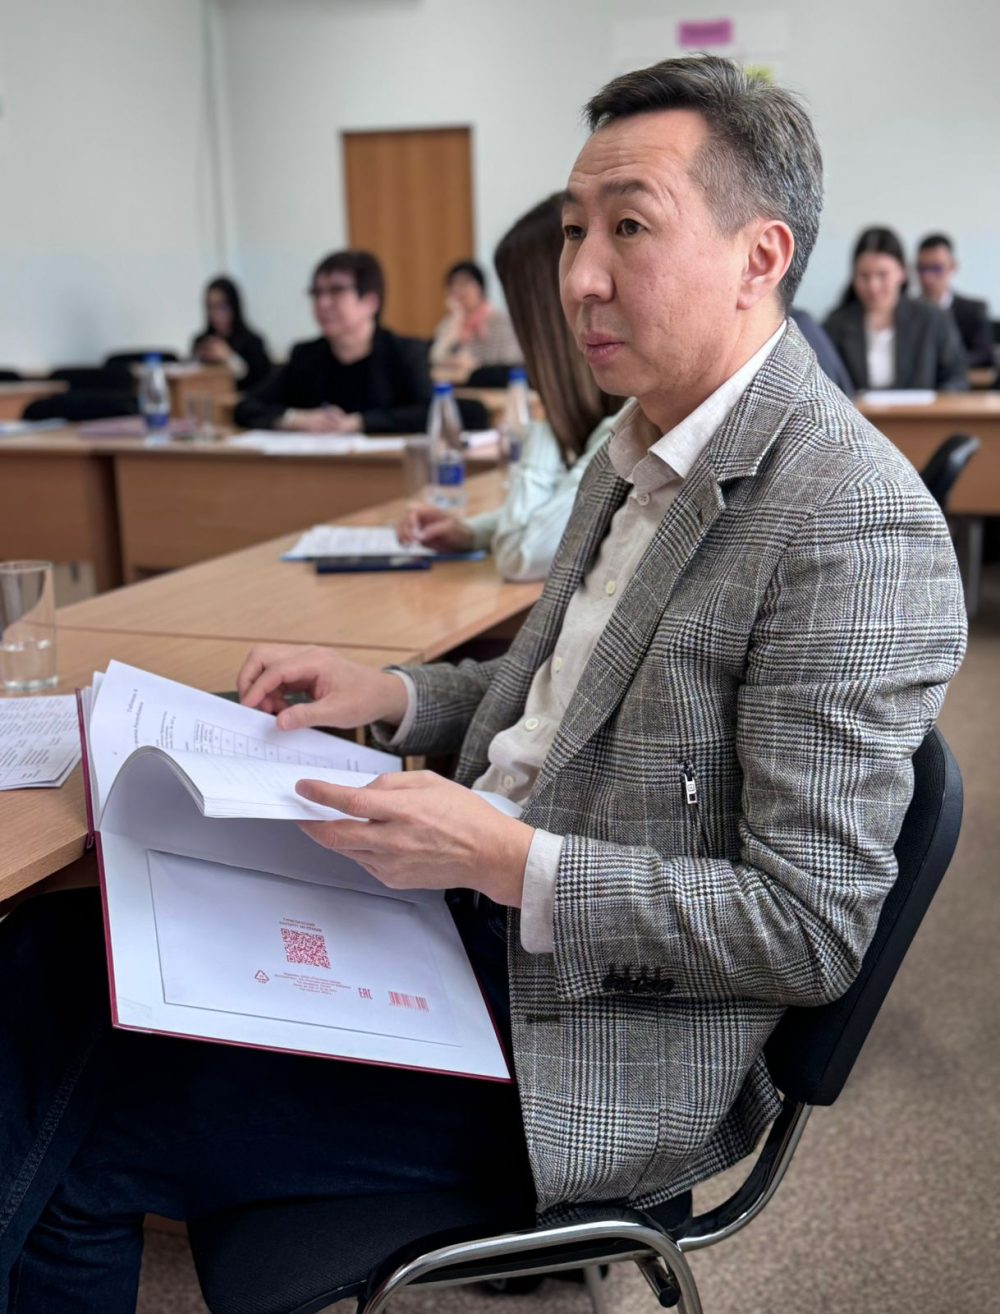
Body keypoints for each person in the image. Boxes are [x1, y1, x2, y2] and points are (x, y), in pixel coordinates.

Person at [0, 56, 967, 1312]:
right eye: (572, 231)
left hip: (582, 1045)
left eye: (629, 228)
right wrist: (393, 698)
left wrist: (512, 863)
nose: (578, 276)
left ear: (759, 255)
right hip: (458, 928)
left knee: (76, 1114)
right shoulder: (638, 443)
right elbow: (553, 705)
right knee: (55, 952)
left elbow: (810, 929)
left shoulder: (849, 521)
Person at [400, 196, 621, 581]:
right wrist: (472, 532)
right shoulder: (453, 324)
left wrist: (546, 422)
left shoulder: (624, 428)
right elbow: (566, 509)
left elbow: (521, 554)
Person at [234, 250, 433, 434]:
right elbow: (247, 406)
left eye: (336, 291)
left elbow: (431, 412)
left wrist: (359, 422)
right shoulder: (305, 356)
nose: (323, 303)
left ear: (370, 303)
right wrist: (296, 419)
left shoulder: (406, 353)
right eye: (317, 293)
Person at [823, 227, 968, 391]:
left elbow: (956, 378)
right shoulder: (835, 324)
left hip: (922, 408)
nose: (873, 286)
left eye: (882, 275)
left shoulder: (932, 319)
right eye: (864, 276)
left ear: (902, 272)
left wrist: (937, 401)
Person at [428, 260, 522, 384]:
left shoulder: (501, 321)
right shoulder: (450, 323)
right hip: (459, 386)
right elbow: (434, 358)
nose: (458, 290)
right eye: (452, 285)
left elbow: (512, 363)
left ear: (480, 287)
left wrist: (475, 367)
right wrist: (456, 319)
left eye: (465, 283)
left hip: (494, 387)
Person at [915, 233, 994, 369]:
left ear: (952, 267)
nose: (928, 277)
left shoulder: (973, 311)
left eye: (936, 268)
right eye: (922, 269)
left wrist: (940, 362)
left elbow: (984, 355)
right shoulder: (905, 312)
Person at [190, 276, 272, 390]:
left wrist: (229, 357)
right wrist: (199, 360)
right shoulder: (201, 341)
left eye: (221, 307)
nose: (215, 314)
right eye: (210, 307)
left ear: (234, 306)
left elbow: (259, 385)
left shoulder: (253, 343)